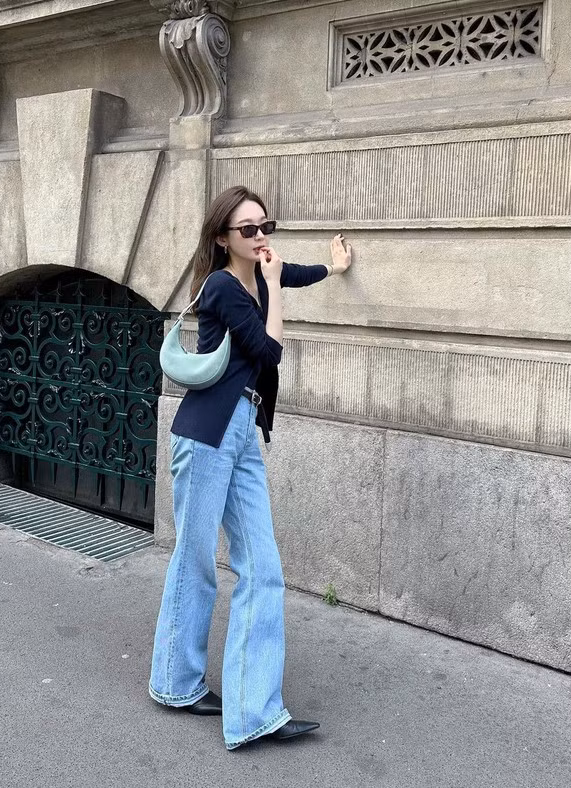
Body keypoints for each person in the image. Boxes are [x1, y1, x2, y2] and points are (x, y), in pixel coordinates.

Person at [149, 185, 352, 750]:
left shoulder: (260, 276)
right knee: (196, 561)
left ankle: (254, 711)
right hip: (207, 433)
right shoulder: (221, 286)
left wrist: (334, 268)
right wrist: (274, 286)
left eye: (266, 226)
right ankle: (175, 682)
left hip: (242, 431)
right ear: (223, 238)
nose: (261, 236)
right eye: (248, 229)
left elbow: (296, 273)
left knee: (263, 568)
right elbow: (268, 352)